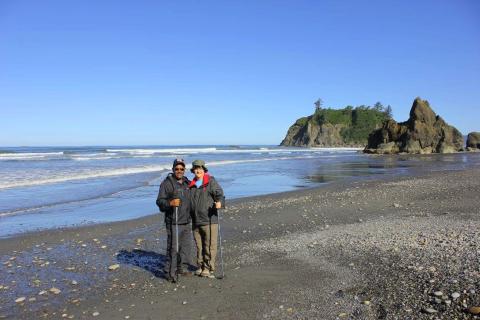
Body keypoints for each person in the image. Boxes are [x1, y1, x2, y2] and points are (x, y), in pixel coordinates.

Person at [156, 158, 193, 282]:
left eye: (181, 169)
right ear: (173, 169)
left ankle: (182, 268)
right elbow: (160, 202)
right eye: (177, 169)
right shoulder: (166, 183)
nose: (179, 171)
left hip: (186, 221)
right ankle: (169, 272)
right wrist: (170, 203)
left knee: (186, 247)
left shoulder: (188, 183)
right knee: (173, 248)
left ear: (184, 170)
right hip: (174, 221)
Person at [188, 159, 225, 278]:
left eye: (200, 168)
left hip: (209, 220)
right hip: (195, 221)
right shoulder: (191, 185)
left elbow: (220, 194)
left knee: (209, 245)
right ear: (193, 170)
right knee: (199, 245)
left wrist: (219, 202)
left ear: (204, 169)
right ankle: (200, 265)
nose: (198, 170)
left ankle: (208, 268)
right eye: (195, 168)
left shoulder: (210, 181)